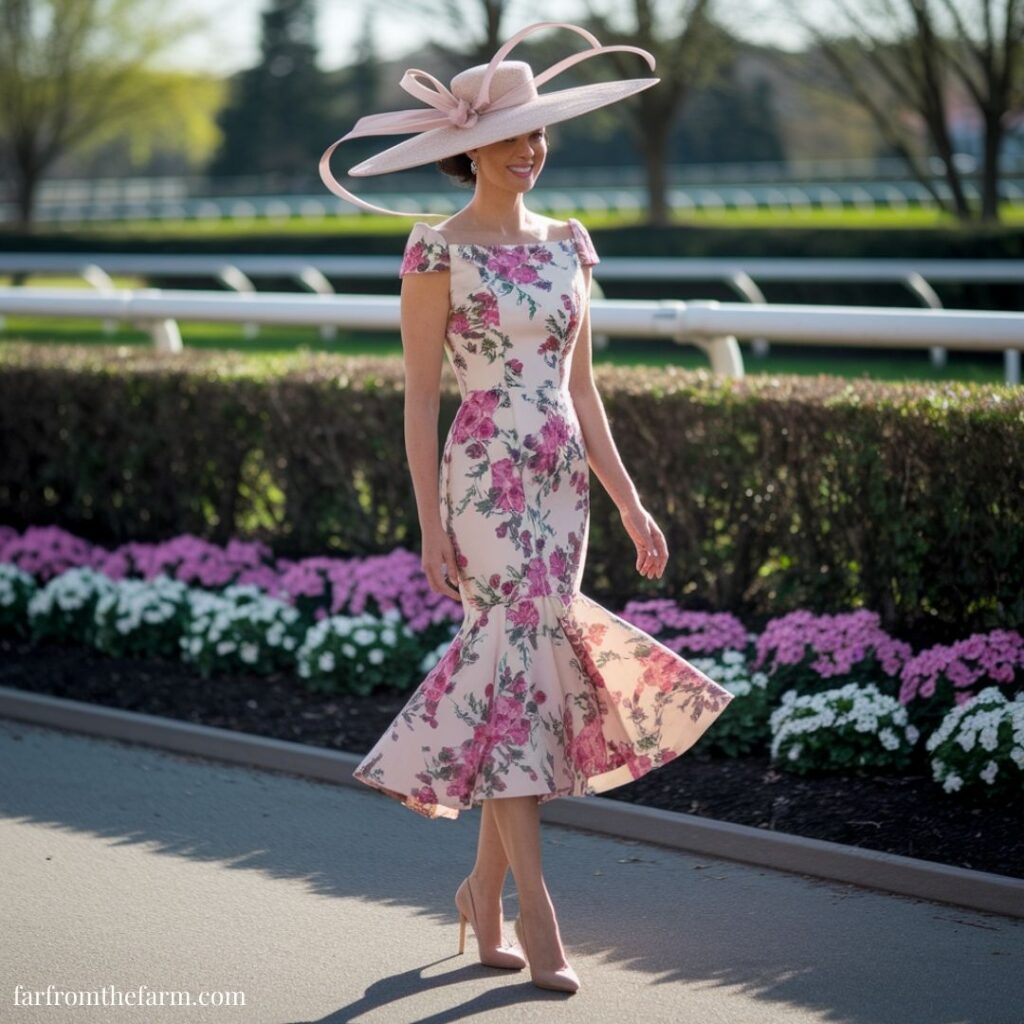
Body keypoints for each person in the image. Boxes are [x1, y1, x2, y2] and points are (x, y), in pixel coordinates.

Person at [319, 20, 736, 995]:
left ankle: (477, 889)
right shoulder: (434, 252)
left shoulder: (569, 246)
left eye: (539, 130)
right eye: (510, 133)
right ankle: (536, 914)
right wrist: (427, 524)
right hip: (479, 487)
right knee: (514, 674)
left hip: (557, 488)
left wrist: (630, 503)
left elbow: (584, 391)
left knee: (530, 687)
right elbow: (421, 398)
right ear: (468, 149)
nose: (529, 147)